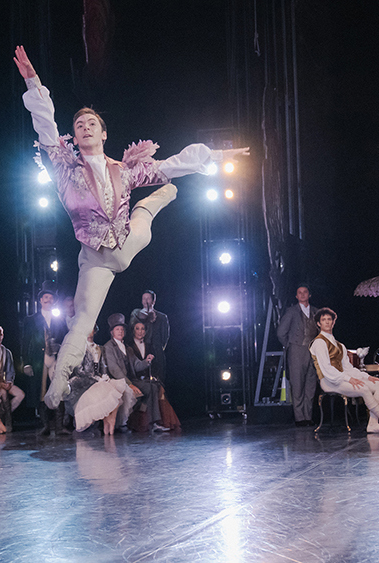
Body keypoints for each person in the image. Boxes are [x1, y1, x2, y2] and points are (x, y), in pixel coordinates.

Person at [14, 46, 250, 410]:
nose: (85, 127)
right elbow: (45, 126)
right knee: (81, 321)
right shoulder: (64, 169)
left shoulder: (123, 170)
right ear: (74, 138)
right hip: (95, 259)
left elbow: (171, 164)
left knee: (145, 210)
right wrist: (33, 80)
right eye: (79, 125)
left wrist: (217, 156)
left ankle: (154, 202)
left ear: (104, 133)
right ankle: (58, 385)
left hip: (127, 242)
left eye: (92, 123)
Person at [308, 308, 379, 433]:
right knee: (364, 389)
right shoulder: (319, 343)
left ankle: (373, 424)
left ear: (333, 322)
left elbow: (348, 368)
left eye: (329, 319)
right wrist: (349, 379)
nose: (327, 322)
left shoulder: (340, 345)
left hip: (341, 378)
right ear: (318, 324)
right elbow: (327, 369)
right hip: (328, 380)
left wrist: (366, 377)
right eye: (323, 320)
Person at [21, 283, 69, 434]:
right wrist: (26, 363)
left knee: (58, 389)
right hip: (38, 359)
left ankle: (59, 427)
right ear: (40, 300)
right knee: (40, 392)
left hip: (55, 358)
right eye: (46, 297)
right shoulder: (31, 319)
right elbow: (25, 341)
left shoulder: (59, 319)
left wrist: (59, 347)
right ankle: (45, 426)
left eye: (51, 298)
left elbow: (64, 338)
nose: (49, 300)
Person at [64, 327, 130, 435]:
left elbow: (103, 365)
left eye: (91, 330)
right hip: (83, 381)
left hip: (98, 380)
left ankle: (109, 425)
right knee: (104, 393)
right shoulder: (79, 348)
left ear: (95, 331)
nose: (89, 333)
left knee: (115, 390)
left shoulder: (99, 348)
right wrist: (96, 378)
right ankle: (99, 425)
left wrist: (104, 375)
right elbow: (79, 370)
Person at [101, 314, 154, 432]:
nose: (120, 332)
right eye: (117, 329)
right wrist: (129, 384)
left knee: (150, 387)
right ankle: (122, 424)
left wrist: (146, 361)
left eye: (122, 329)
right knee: (129, 393)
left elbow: (137, 365)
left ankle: (144, 420)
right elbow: (115, 370)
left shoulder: (127, 348)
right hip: (116, 381)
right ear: (112, 332)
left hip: (130, 380)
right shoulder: (108, 347)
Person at [276, 284, 320, 426]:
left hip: (312, 351)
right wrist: (290, 345)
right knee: (297, 384)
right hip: (296, 351)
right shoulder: (291, 311)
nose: (302, 295)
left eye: (305, 292)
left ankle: (308, 417)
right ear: (296, 296)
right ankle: (300, 418)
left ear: (309, 294)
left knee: (310, 385)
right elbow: (281, 332)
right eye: (299, 293)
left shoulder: (316, 312)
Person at [127, 320, 180, 430]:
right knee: (151, 389)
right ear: (133, 331)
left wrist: (154, 375)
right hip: (135, 379)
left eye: (142, 329)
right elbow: (133, 367)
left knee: (158, 388)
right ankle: (148, 421)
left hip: (148, 378)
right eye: (137, 329)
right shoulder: (129, 347)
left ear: (145, 332)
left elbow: (155, 364)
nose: (140, 332)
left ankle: (158, 421)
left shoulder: (150, 346)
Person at [128, 289, 170, 384]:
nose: (146, 301)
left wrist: (158, 349)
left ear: (153, 301)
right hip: (140, 352)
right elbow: (131, 330)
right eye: (144, 298)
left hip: (157, 353)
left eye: (148, 298)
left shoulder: (162, 317)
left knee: (158, 381)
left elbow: (164, 337)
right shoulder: (136, 314)